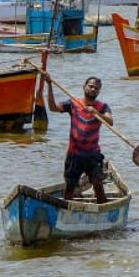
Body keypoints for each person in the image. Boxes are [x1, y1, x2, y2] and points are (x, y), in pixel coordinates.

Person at [44, 72, 113, 203]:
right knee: (69, 188)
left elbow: (110, 121)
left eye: (96, 88)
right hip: (74, 154)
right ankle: (67, 211)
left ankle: (102, 209)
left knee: (98, 183)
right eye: (91, 86)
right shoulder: (73, 103)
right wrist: (49, 85)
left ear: (99, 91)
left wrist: (96, 113)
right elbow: (53, 108)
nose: (93, 89)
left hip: (92, 155)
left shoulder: (103, 107)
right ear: (84, 87)